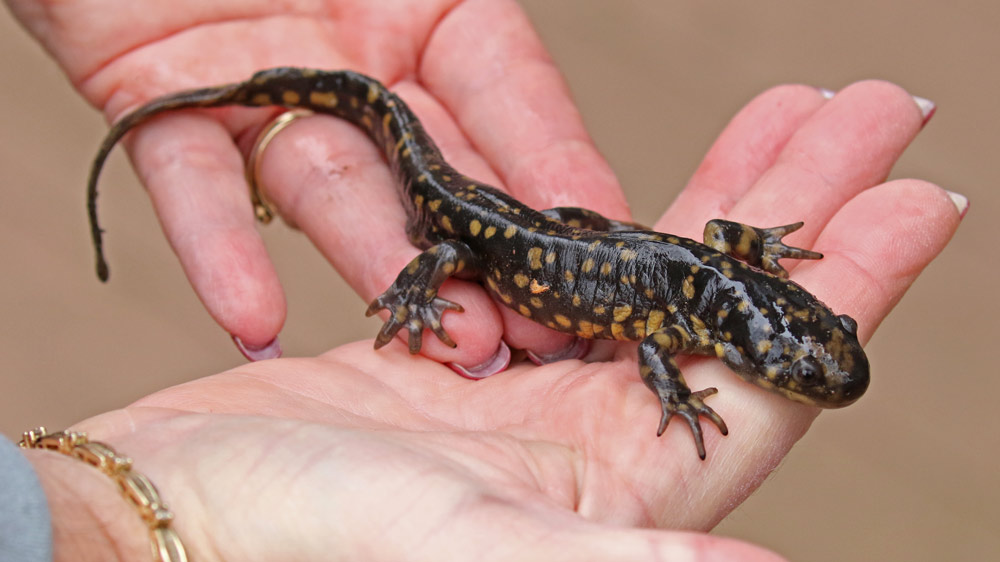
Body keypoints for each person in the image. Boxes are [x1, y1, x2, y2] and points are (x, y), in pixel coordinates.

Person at [2, 0, 965, 560]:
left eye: (808, 357)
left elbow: (700, 265)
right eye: (802, 363)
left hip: (549, 240)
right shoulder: (695, 302)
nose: (808, 369)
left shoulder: (707, 286)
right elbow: (672, 326)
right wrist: (422, 282)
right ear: (765, 333)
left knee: (557, 233)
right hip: (472, 232)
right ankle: (420, 255)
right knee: (439, 214)